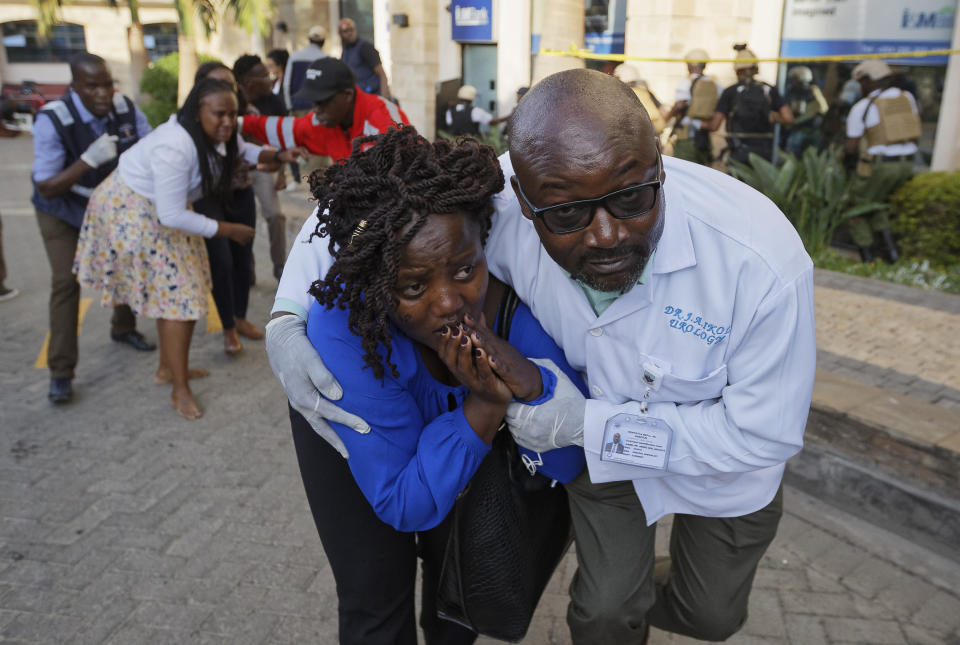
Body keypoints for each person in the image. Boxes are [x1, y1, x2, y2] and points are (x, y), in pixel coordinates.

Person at [267, 68, 816, 644]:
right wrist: (285, 315)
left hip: (719, 471)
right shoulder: (504, 190)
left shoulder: (761, 262)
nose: (606, 234)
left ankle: (649, 591)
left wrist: (594, 425)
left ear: (659, 163)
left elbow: (764, 436)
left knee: (713, 616)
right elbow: (366, 206)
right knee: (605, 610)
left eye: (631, 197)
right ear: (522, 200)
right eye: (567, 214)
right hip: (598, 458)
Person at [275, 125, 586, 644]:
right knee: (375, 596)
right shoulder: (345, 331)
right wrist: (486, 406)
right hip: (350, 428)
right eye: (414, 286)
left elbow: (568, 461)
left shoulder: (510, 312)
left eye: (465, 270)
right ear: (373, 286)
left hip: (457, 437)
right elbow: (401, 500)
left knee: (458, 591)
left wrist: (530, 382)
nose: (449, 303)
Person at [74, 77, 302, 419]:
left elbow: (242, 149)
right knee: (181, 301)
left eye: (232, 114)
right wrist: (227, 230)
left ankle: (169, 369)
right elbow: (170, 214)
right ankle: (179, 390)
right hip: (137, 209)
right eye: (219, 114)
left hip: (168, 212)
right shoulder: (175, 146)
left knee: (185, 294)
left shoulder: (216, 135)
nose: (227, 122)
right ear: (198, 113)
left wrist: (278, 154)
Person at [31, 52, 155, 404]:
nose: (103, 93)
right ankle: (60, 371)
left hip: (110, 205)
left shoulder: (125, 108)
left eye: (108, 84)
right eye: (93, 86)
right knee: (66, 281)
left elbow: (150, 148)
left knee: (124, 261)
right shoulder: (53, 119)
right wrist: (87, 160)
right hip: (63, 209)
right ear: (75, 87)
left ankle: (124, 327)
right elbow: (46, 186)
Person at [191, 62, 265, 355]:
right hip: (209, 198)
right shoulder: (194, 124)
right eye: (217, 84)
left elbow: (247, 148)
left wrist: (277, 158)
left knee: (242, 260)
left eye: (230, 84)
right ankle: (228, 329)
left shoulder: (241, 115)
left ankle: (241, 317)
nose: (225, 91)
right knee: (220, 262)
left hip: (240, 191)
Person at [241, 57, 408, 164]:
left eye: (322, 102)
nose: (316, 110)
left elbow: (411, 170)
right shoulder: (324, 120)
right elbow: (285, 129)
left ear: (347, 95)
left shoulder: (384, 120)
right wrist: (238, 123)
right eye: (314, 103)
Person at [843, 59, 919, 263]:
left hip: (881, 165)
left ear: (868, 81)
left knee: (856, 209)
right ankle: (891, 256)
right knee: (877, 205)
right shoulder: (907, 98)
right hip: (907, 163)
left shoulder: (863, 106)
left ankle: (867, 260)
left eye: (861, 82)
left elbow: (851, 147)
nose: (860, 87)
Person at [235, 54, 289, 281]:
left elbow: (284, 138)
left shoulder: (274, 102)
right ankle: (247, 269)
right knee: (242, 221)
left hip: (266, 166)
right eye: (263, 76)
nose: (269, 79)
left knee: (275, 215)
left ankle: (279, 266)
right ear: (247, 81)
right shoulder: (232, 100)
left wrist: (282, 171)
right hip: (237, 171)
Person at [709, 44, 793, 165]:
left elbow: (715, 125)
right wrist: (772, 116)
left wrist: (699, 123)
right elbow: (788, 118)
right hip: (763, 154)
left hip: (738, 151)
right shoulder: (769, 89)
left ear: (737, 70)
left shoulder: (730, 92)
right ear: (755, 68)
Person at [666, 49, 720, 165]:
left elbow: (680, 105)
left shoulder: (686, 83)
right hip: (705, 137)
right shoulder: (715, 84)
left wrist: (667, 117)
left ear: (690, 65)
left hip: (686, 138)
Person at [266, 47, 303, 191]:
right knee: (280, 149)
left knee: (289, 147)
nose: (269, 69)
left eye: (271, 65)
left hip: (288, 119)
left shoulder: (290, 82)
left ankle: (297, 178)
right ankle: (283, 178)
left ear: (279, 65)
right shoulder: (273, 82)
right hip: (276, 121)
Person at [338, 18, 391, 99]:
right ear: (340, 34)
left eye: (351, 30)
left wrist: (384, 99)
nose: (349, 33)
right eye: (345, 31)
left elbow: (381, 74)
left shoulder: (365, 47)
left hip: (372, 95)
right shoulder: (346, 50)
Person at [784, 66, 828, 156]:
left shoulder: (811, 90)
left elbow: (823, 108)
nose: (792, 82)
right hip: (803, 130)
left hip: (804, 131)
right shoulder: (812, 90)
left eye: (793, 79)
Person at [283, 25, 328, 113]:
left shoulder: (294, 56)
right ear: (323, 41)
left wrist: (289, 106)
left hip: (297, 106)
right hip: (317, 109)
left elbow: (286, 84)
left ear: (309, 39)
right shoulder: (326, 59)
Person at [612, 64, 667, 135]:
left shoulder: (623, 94)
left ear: (620, 78)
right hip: (655, 134)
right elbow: (663, 113)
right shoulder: (646, 92)